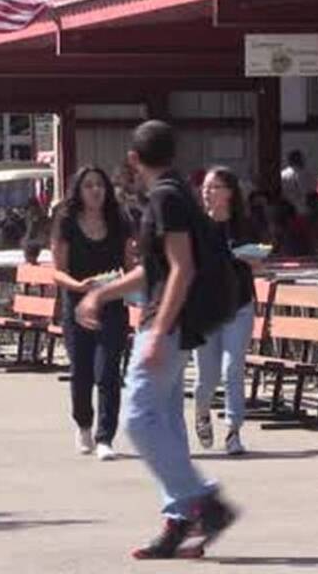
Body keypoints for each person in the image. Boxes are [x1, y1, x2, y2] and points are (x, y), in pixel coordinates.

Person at [79, 120, 236, 559]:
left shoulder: (167, 198)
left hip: (165, 324)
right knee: (164, 423)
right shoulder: (171, 194)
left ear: (133, 159)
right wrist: (102, 293)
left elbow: (180, 268)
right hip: (166, 322)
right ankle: (179, 519)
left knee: (138, 419)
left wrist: (159, 330)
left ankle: (204, 502)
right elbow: (158, 269)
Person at [50, 166, 132, 462]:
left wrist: (128, 280)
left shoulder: (119, 220)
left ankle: (105, 437)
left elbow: (130, 264)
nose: (95, 190)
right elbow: (57, 272)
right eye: (89, 186)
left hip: (111, 303)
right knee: (81, 372)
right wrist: (79, 286)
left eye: (100, 185)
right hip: (77, 305)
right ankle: (83, 423)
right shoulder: (66, 222)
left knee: (108, 371)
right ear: (79, 191)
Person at [195, 167, 258, 457]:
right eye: (205, 187)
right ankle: (202, 412)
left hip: (239, 305)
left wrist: (251, 257)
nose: (207, 192)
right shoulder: (197, 227)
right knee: (206, 377)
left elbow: (260, 261)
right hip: (207, 309)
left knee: (233, 367)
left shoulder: (244, 225)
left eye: (214, 187)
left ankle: (234, 431)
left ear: (229, 192)